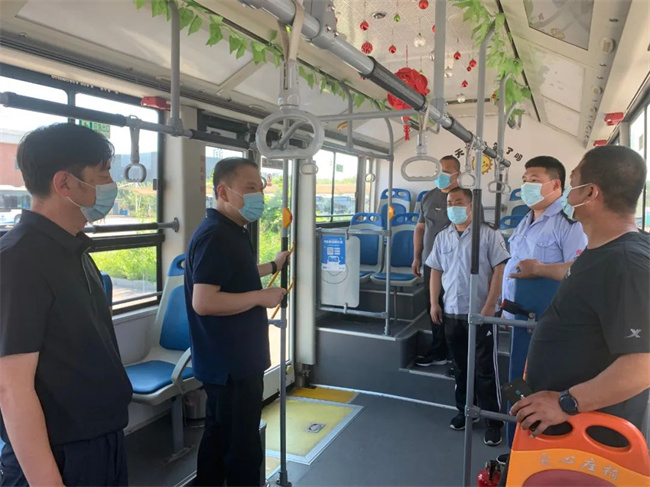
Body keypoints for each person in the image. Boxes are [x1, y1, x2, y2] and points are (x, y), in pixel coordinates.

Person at [0, 123, 133, 486]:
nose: (110, 185)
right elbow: (11, 388)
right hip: (59, 456)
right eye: (103, 174)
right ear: (65, 183)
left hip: (100, 441)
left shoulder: (73, 248)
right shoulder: (18, 260)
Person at [510, 145, 650, 446]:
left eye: (572, 183)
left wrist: (567, 402)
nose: (566, 194)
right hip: (566, 429)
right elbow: (586, 274)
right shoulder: (604, 250)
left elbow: (643, 364)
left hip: (587, 436)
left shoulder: (627, 264)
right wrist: (541, 269)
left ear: (590, 193)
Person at [185, 157, 290, 486]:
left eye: (260, 188)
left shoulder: (231, 231)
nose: (259, 195)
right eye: (250, 188)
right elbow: (204, 301)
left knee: (218, 441)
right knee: (241, 449)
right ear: (223, 192)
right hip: (231, 365)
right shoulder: (216, 236)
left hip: (229, 362)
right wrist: (260, 297)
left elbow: (232, 274)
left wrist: (273, 266)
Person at [501, 156, 587, 447]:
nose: (526, 185)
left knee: (539, 389)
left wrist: (541, 269)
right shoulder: (526, 221)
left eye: (534, 180)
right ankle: (516, 449)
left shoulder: (568, 223)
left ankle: (538, 451)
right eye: (525, 180)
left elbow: (579, 271)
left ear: (556, 185)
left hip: (548, 324)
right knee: (518, 386)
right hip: (518, 318)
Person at [425, 187, 510, 446]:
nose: (453, 206)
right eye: (450, 202)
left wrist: (490, 306)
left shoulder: (488, 234)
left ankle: (493, 421)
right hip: (452, 310)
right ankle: (465, 411)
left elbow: (499, 270)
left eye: (458, 202)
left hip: (481, 313)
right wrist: (434, 303)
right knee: (460, 367)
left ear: (471, 206)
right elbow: (436, 271)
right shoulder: (443, 237)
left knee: (484, 369)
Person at [412, 155, 460, 367]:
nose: (441, 175)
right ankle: (439, 351)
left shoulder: (463, 199)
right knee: (433, 306)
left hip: (455, 263)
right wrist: (417, 256)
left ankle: (456, 355)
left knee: (454, 309)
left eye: (446, 171)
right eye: (439, 170)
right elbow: (420, 228)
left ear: (457, 174)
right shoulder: (428, 197)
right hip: (431, 262)